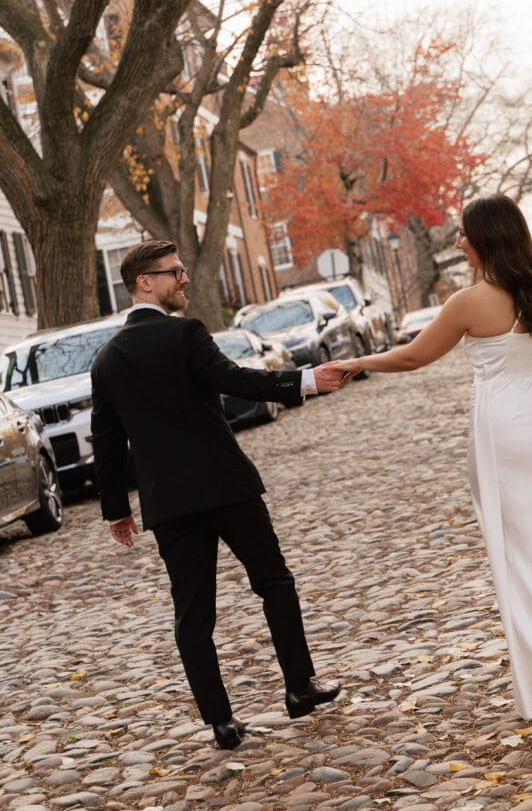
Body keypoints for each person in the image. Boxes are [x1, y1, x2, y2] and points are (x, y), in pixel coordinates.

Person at [333, 195, 532, 720]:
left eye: (462, 233)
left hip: (503, 431)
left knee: (524, 556)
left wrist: (357, 361)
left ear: (484, 238)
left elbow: (414, 355)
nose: (457, 242)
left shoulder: (468, 302)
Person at [91, 239, 344, 751]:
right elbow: (235, 380)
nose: (184, 279)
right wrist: (307, 380)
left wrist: (116, 510)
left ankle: (221, 723)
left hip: (169, 504)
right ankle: (299, 688)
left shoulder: (107, 359)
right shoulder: (184, 332)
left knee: (192, 615)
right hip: (225, 485)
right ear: (146, 282)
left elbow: (107, 442)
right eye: (175, 272)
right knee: (273, 581)